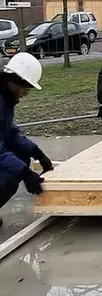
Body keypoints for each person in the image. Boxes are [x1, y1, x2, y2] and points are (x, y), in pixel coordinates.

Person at [0, 53, 52, 226]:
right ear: (14, 80)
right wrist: (25, 173)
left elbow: (9, 134)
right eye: (25, 88)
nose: (25, 93)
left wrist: (37, 153)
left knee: (22, 156)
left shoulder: (6, 98)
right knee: (10, 173)